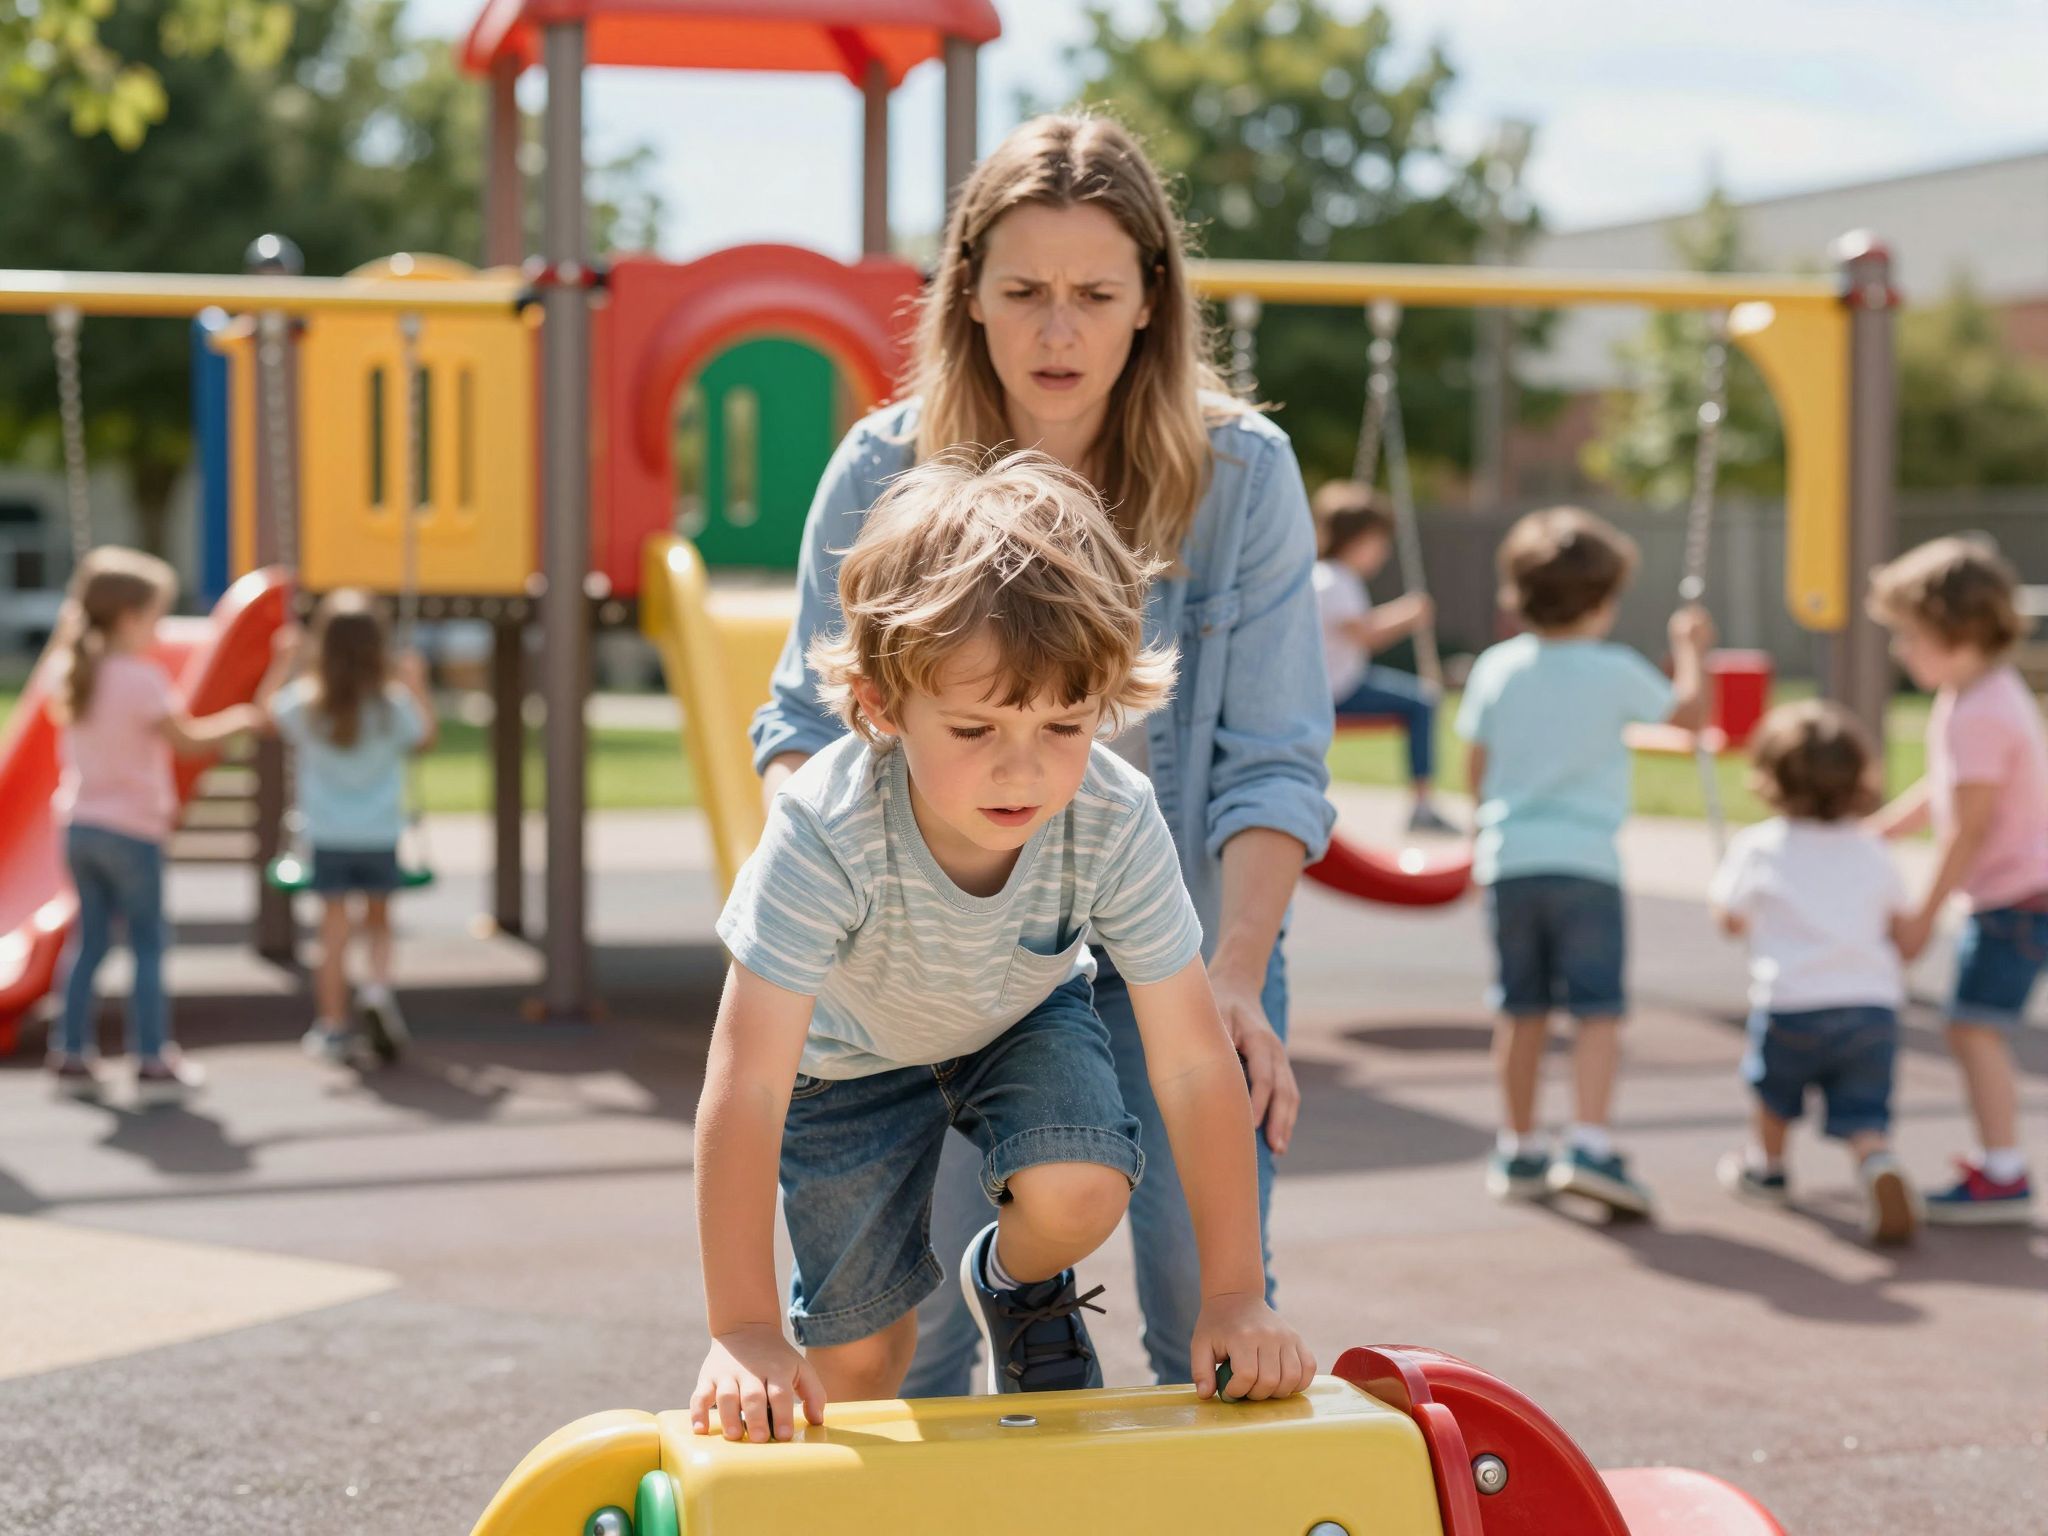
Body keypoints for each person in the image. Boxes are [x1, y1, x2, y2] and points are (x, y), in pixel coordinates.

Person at [750, 113, 1336, 1394]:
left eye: (1092, 294)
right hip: (934, 942)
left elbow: (1272, 765)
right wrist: (832, 912)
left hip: (1167, 936)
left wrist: (1236, 972)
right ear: (966, 295)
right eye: (1021, 292)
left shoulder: (1239, 473)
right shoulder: (881, 470)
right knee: (925, 1330)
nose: (1056, 331)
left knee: (1209, 1297)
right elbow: (805, 729)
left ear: (1149, 305)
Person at [692, 454, 1313, 1441]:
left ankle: (1012, 1284)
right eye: (975, 727)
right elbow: (748, 1080)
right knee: (859, 1361)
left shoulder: (1109, 812)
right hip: (844, 1068)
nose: (1020, 768)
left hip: (1019, 1022)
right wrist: (741, 1327)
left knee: (1082, 1187)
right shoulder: (826, 827)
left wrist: (1234, 1295)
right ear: (883, 704)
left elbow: (1194, 1066)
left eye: (1064, 723)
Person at [1456, 507, 1713, 1215]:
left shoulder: (1496, 667)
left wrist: (1485, 838)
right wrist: (1690, 648)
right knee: (1597, 1010)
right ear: (1603, 603)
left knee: (1521, 1009)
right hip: (1587, 866)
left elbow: (1476, 767)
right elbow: (1688, 718)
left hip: (1511, 862)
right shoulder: (1614, 669)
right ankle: (1591, 1144)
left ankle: (1518, 1146)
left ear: (1518, 597)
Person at [45, 548, 263, 1104]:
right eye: (155, 617)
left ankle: (70, 1052)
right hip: (132, 832)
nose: (160, 630)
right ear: (127, 618)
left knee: (88, 943)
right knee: (147, 944)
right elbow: (186, 739)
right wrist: (241, 720)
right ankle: (152, 1059)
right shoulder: (142, 680)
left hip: (80, 827)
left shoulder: (71, 671)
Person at [1867, 537, 2042, 1224]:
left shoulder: (1980, 712)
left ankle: (2004, 1170)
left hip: (2017, 900)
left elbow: (1967, 830)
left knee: (1973, 1028)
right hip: (2020, 893)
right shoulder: (1976, 694)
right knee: (1973, 1026)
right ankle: (2001, 1164)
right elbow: (1942, 791)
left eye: (1910, 635)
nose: (1901, 651)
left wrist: (1922, 916)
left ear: (1956, 631)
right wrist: (1878, 830)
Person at [1708, 700, 1919, 1244]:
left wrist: (1730, 908)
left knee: (1773, 1093)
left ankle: (1768, 1166)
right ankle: (1875, 1159)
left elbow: (1730, 919)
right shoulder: (1872, 848)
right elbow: (1900, 921)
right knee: (1864, 1107)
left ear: (1769, 779)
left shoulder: (1759, 847)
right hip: (1870, 1005)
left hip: (1792, 1001)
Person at [258, 589, 436, 1064]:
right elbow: (425, 737)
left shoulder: (308, 702)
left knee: (332, 932)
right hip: (379, 833)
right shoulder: (390, 704)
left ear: (322, 645)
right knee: (379, 922)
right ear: (379, 647)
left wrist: (282, 661)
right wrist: (417, 683)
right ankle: (377, 992)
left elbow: (264, 716)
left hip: (328, 835)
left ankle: (333, 1026)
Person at [1310, 480, 1451, 833]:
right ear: (1355, 539)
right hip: (1337, 690)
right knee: (1424, 701)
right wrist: (1410, 614)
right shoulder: (1334, 580)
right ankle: (1422, 803)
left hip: (1333, 683)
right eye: (1378, 543)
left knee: (1419, 697)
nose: (1383, 552)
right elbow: (1367, 635)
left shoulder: (1324, 575)